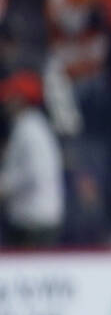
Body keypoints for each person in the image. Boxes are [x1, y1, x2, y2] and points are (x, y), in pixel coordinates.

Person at [0, 72, 65, 247]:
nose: (6, 100)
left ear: (22, 99)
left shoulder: (31, 129)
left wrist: (5, 187)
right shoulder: (27, 125)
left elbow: (35, 173)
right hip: (31, 218)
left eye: (12, 96)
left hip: (36, 221)